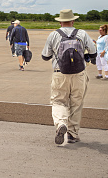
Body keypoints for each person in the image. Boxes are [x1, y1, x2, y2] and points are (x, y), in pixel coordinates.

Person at [41, 9, 97, 145]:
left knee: (58, 101)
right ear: (73, 21)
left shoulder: (54, 35)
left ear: (60, 22)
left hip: (60, 73)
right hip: (79, 74)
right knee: (76, 103)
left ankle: (60, 123)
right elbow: (93, 52)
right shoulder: (82, 33)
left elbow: (45, 56)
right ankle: (72, 134)